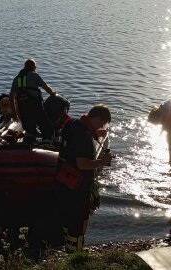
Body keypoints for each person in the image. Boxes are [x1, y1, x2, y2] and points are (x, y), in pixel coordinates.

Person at [55, 104, 112, 253]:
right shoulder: (83, 135)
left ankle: (68, 249)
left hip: (64, 183)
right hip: (77, 188)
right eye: (102, 123)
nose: (102, 126)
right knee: (79, 221)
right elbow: (82, 163)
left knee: (67, 219)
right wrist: (103, 162)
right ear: (98, 118)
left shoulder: (73, 124)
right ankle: (76, 255)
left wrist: (97, 132)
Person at [10, 59, 56, 141]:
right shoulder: (33, 75)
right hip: (35, 107)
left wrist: (15, 114)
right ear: (32, 67)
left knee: (29, 130)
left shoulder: (16, 79)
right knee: (46, 128)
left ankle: (30, 143)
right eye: (35, 66)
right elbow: (46, 87)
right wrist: (53, 93)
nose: (36, 68)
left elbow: (11, 97)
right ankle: (47, 142)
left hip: (22, 109)